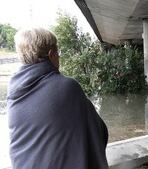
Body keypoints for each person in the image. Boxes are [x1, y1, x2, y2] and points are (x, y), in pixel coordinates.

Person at [7, 28, 109, 169]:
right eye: (58, 53)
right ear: (52, 54)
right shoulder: (67, 87)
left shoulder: (14, 90)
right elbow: (97, 129)